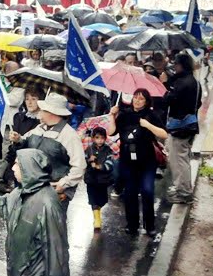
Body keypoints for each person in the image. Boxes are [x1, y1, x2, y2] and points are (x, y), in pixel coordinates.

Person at [9, 93, 86, 216]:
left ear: (52, 112)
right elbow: (25, 143)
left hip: (54, 193)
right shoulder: (39, 128)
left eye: (43, 109)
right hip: (33, 189)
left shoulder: (69, 136)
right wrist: (18, 140)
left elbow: (79, 166)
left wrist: (64, 184)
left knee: (52, 231)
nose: (40, 111)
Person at [108, 89, 168, 236]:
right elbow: (110, 132)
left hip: (147, 160)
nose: (137, 101)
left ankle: (150, 225)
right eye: (135, 97)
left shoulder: (151, 115)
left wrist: (148, 125)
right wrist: (112, 115)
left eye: (141, 99)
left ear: (146, 101)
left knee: (147, 191)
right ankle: (132, 225)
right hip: (127, 160)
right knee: (130, 193)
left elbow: (164, 134)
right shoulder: (124, 114)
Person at [165, 53, 201, 204]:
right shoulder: (194, 81)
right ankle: (182, 188)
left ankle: (184, 192)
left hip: (181, 126)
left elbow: (169, 99)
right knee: (182, 158)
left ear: (182, 65)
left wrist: (166, 86)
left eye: (176, 64)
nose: (174, 67)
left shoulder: (182, 83)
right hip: (191, 124)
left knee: (179, 160)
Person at [85, 127, 114, 231]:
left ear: (105, 138)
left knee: (102, 200)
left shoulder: (108, 150)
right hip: (91, 179)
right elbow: (83, 162)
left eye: (102, 138)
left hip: (103, 180)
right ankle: (97, 219)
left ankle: (97, 211)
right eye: (97, 138)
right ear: (93, 138)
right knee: (93, 200)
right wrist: (89, 160)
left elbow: (110, 164)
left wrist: (99, 166)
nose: (99, 140)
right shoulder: (89, 149)